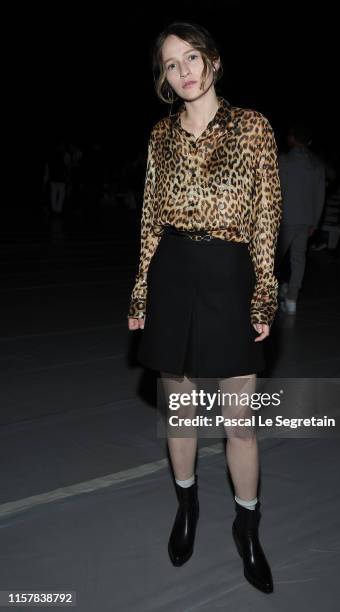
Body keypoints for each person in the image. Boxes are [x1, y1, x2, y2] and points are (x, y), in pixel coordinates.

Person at [127, 21, 282, 594]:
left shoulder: (252, 127)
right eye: (171, 64)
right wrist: (140, 290)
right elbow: (148, 218)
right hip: (172, 270)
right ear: (164, 79)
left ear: (214, 61)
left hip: (229, 272)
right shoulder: (159, 137)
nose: (184, 70)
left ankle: (247, 527)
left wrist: (265, 292)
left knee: (239, 420)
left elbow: (267, 217)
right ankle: (187, 508)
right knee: (180, 408)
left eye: (192, 57)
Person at [275, 126, 326, 314]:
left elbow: (275, 191)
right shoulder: (316, 165)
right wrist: (315, 221)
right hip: (305, 220)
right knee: (298, 260)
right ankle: (292, 300)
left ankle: (268, 298)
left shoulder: (283, 161)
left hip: (285, 218)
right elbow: (320, 196)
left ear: (292, 138)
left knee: (273, 261)